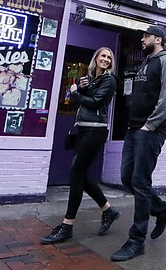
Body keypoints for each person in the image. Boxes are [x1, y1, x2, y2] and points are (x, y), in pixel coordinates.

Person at [111, 25, 166, 262]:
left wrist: (150, 125)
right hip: (134, 129)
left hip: (150, 131)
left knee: (140, 181)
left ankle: (136, 240)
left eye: (146, 36)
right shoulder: (145, 62)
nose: (142, 39)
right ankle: (162, 210)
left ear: (158, 39)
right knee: (127, 178)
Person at [41, 47, 120, 244]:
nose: (106, 59)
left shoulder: (109, 80)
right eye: (102, 56)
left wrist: (76, 93)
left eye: (109, 57)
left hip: (95, 130)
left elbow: (94, 103)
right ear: (96, 58)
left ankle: (67, 225)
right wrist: (82, 89)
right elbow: (85, 102)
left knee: (76, 174)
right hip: (83, 129)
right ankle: (108, 211)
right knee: (81, 175)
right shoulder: (92, 79)